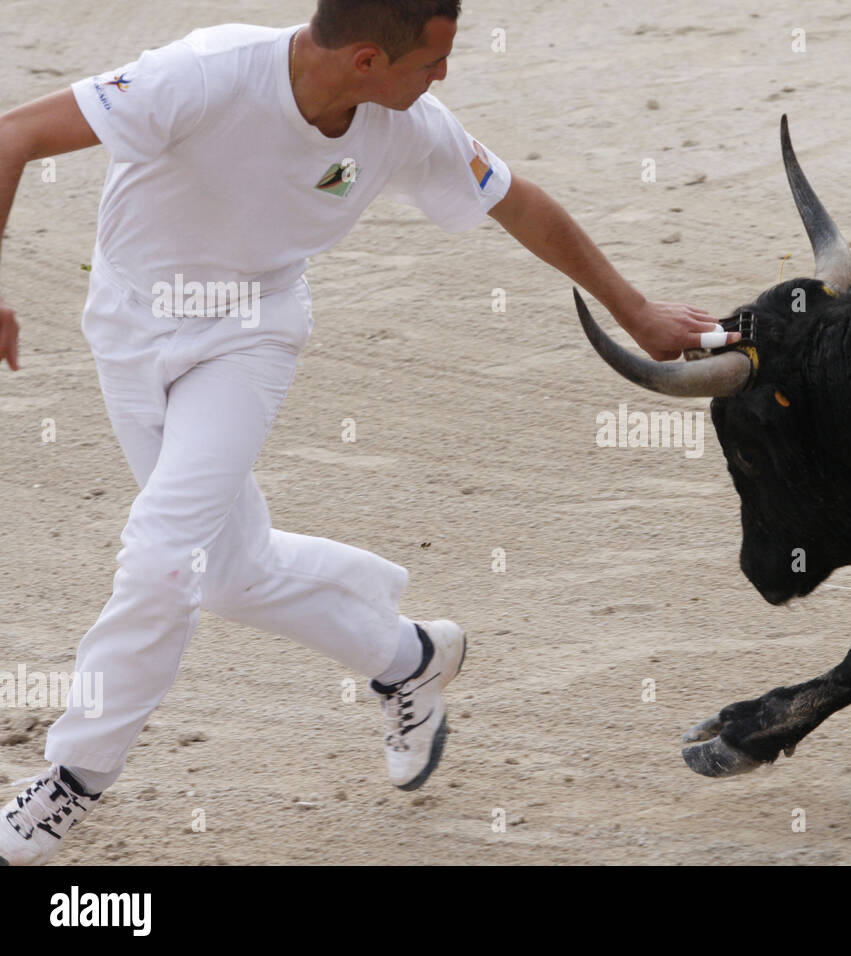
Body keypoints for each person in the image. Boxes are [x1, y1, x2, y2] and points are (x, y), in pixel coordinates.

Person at [0, 0, 735, 866]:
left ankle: (71, 779)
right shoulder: (199, 73)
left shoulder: (408, 123)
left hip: (249, 335)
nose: (444, 76)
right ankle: (409, 656)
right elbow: (13, 134)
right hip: (126, 322)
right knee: (226, 573)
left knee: (164, 556)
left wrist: (638, 309)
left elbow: (521, 204)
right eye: (432, 59)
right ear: (363, 61)